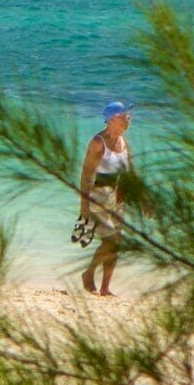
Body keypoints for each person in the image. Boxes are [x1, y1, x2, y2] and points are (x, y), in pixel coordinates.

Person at [76, 101, 134, 296]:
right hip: (99, 198)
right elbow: (86, 174)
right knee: (111, 241)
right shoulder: (97, 143)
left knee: (117, 244)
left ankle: (105, 288)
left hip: (119, 200)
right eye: (124, 116)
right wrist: (84, 205)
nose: (128, 119)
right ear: (112, 119)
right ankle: (89, 273)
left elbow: (131, 174)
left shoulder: (124, 143)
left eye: (128, 115)